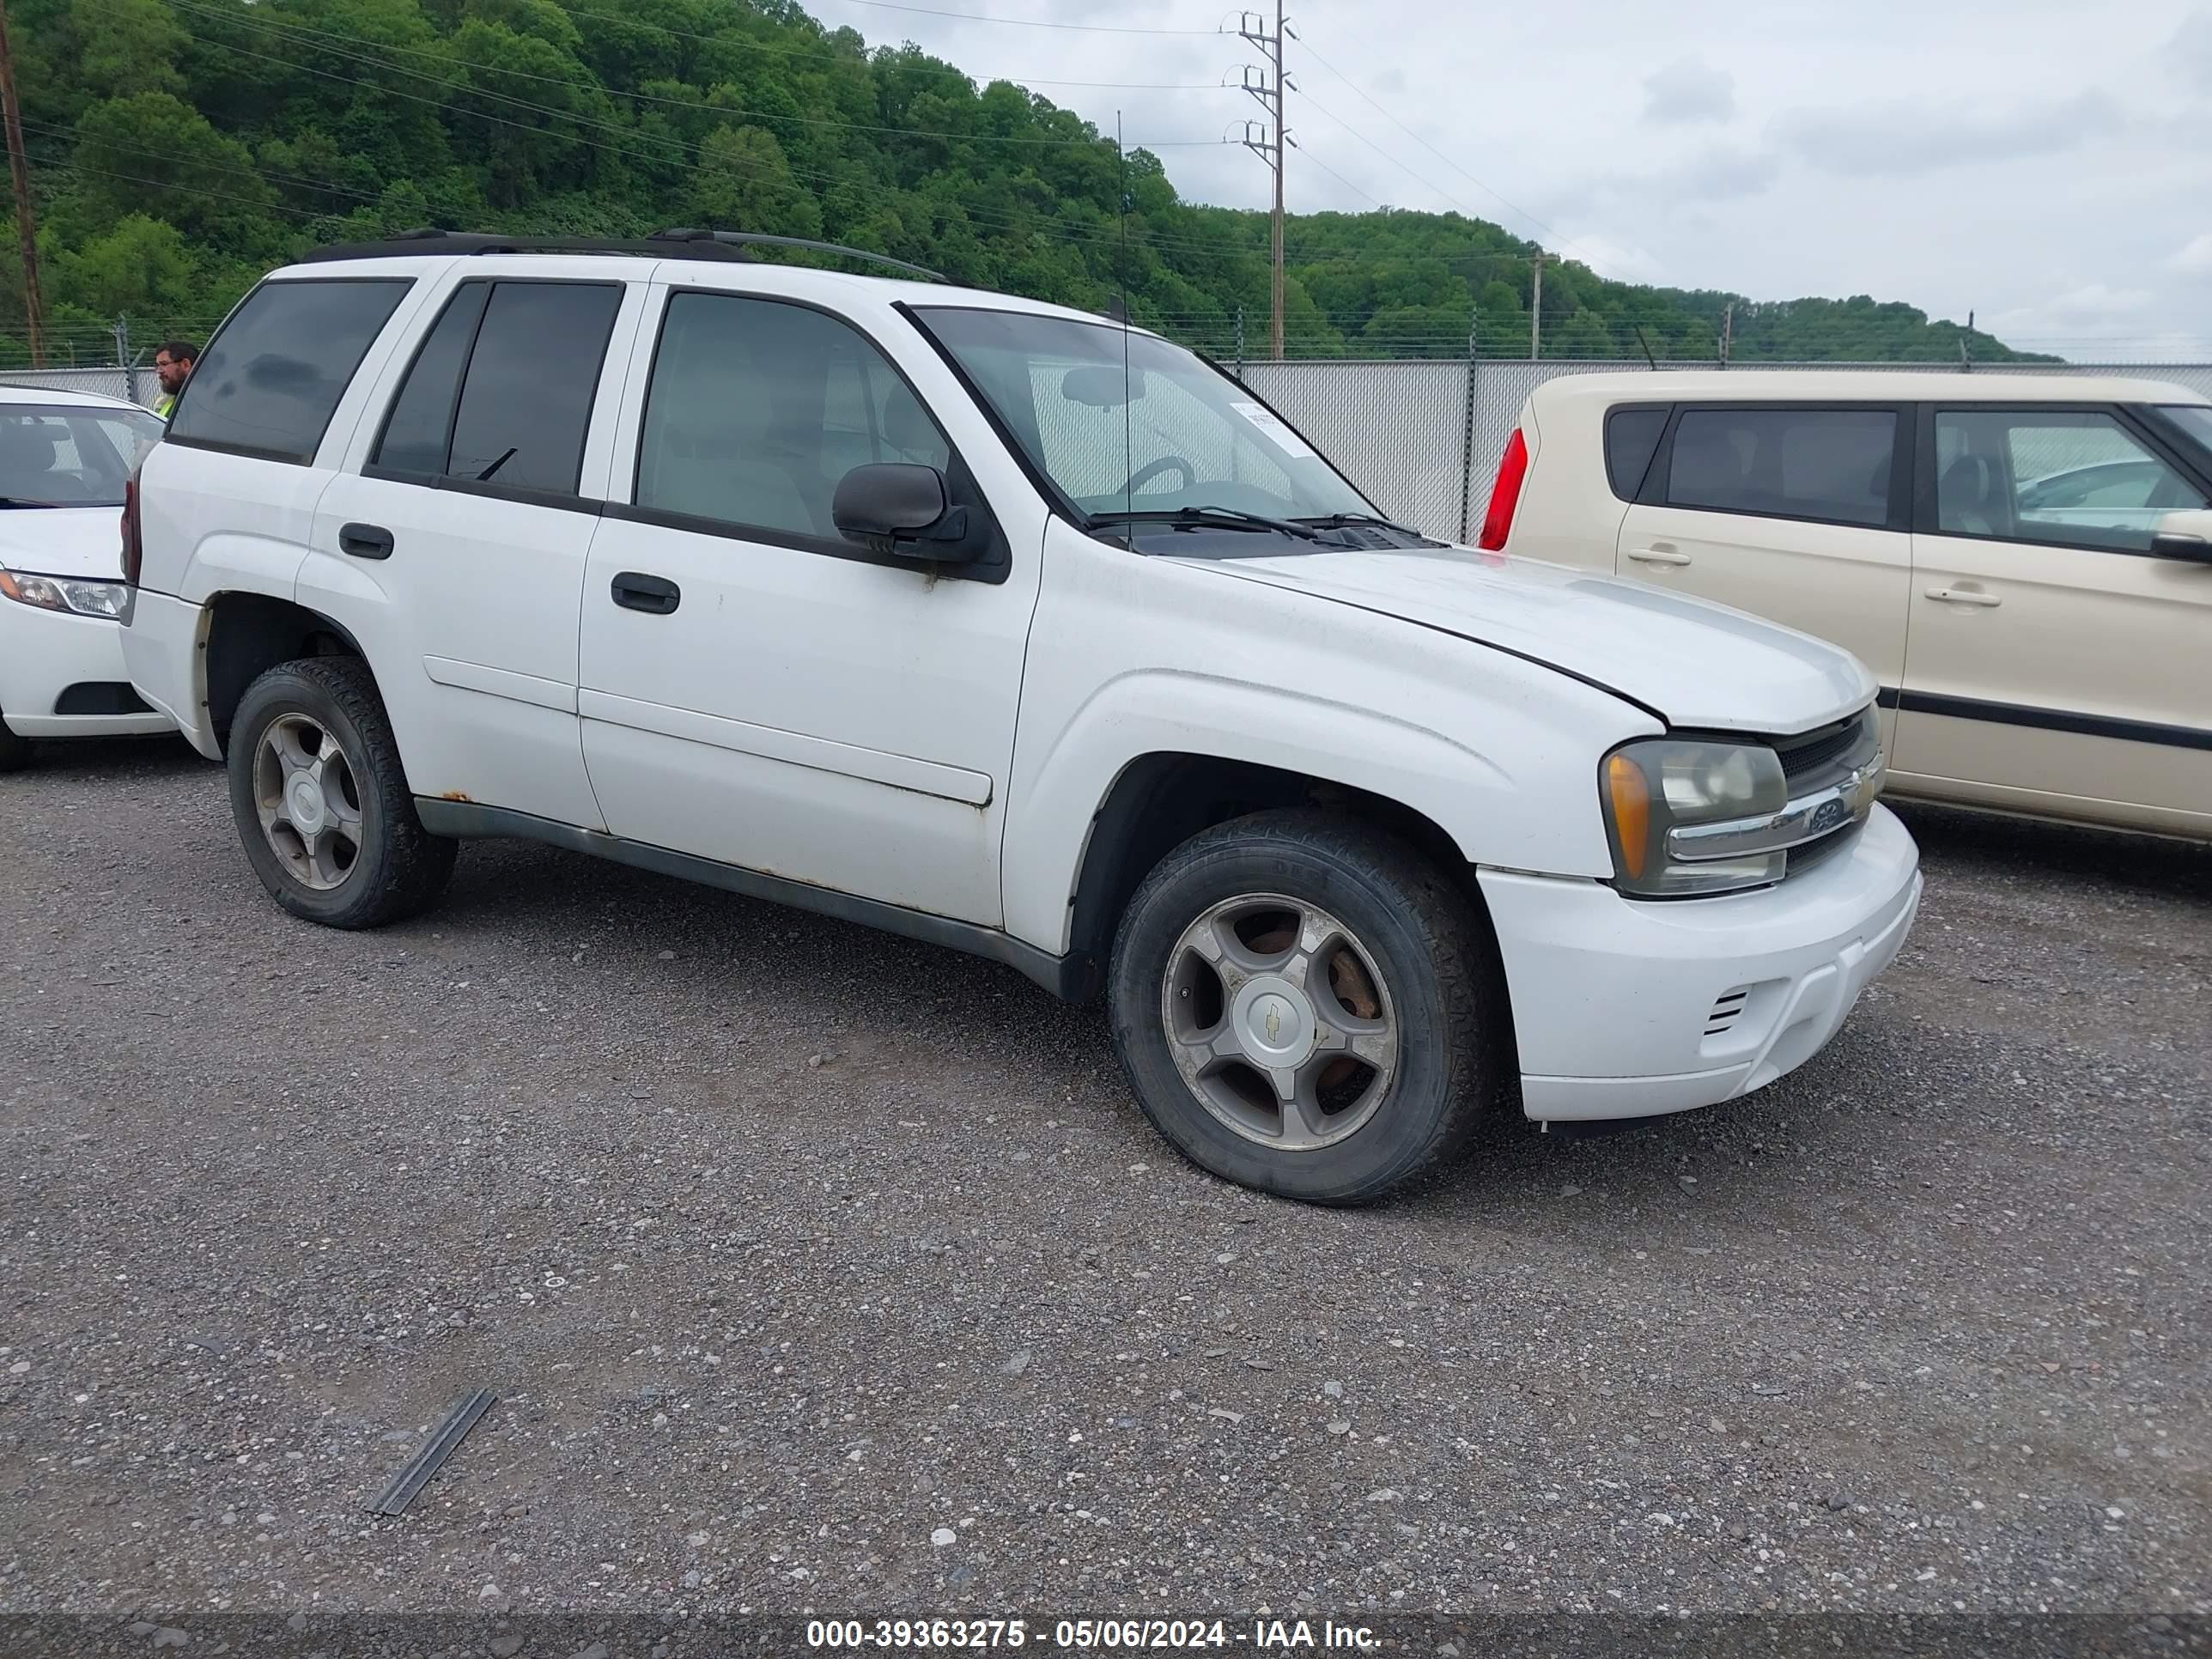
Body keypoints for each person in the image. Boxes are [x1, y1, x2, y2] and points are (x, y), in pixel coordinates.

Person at [152, 341, 198, 420]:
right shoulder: (169, 402)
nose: (159, 371)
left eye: (164, 364)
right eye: (157, 365)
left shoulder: (205, 401)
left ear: (185, 364)